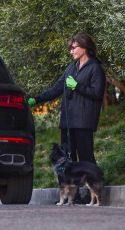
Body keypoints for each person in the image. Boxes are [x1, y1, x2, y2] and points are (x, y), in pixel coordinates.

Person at [28, 33, 106, 164]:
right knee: (67, 159)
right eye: (70, 48)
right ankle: (70, 184)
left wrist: (77, 86)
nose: (71, 51)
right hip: (68, 122)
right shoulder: (71, 68)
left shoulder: (95, 68)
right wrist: (36, 99)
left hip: (84, 122)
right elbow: (56, 89)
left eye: (73, 47)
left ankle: (94, 183)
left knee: (86, 158)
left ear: (84, 47)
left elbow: (97, 94)